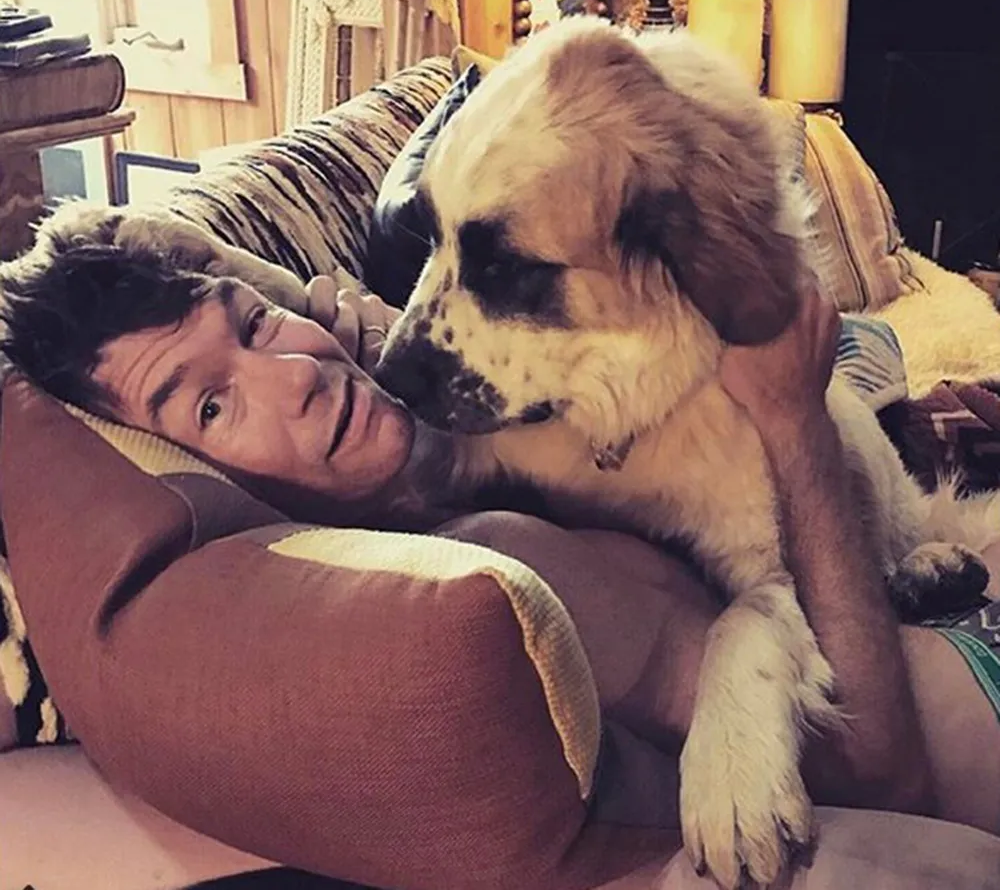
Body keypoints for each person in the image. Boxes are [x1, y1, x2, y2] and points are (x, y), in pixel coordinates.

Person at [1, 241, 998, 838]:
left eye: (257, 326)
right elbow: (879, 768)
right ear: (194, 474)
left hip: (926, 598)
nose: (295, 374)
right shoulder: (504, 566)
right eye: (214, 406)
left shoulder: (440, 432)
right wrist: (792, 415)